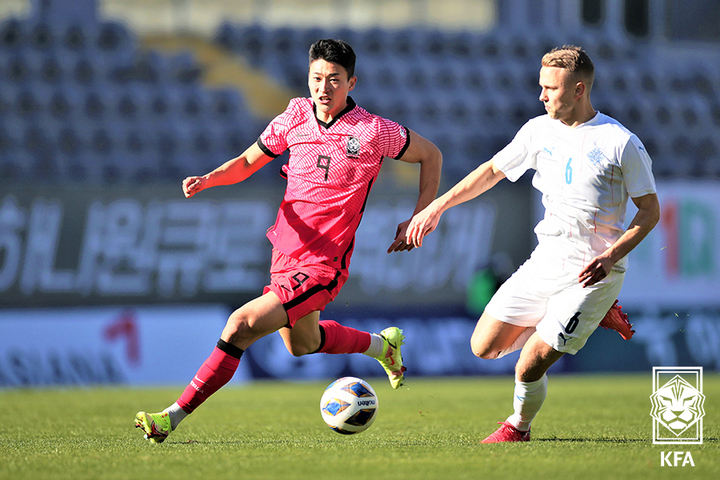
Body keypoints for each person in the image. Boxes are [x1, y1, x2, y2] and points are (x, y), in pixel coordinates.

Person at [135, 39, 442, 444]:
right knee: (304, 344)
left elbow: (431, 155)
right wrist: (210, 178)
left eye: (334, 79)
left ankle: (169, 419)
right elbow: (247, 162)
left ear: (352, 82)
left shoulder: (373, 131)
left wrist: (421, 213)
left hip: (323, 264)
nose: (324, 88)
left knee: (240, 324)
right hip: (285, 253)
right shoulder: (296, 115)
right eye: (317, 78)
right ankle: (382, 345)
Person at [405, 45, 660, 443]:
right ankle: (592, 318)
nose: (541, 95)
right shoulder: (537, 130)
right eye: (540, 86)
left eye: (550, 88)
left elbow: (649, 212)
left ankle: (517, 428)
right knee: (483, 347)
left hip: (591, 272)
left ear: (579, 90)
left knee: (528, 364)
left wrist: (610, 257)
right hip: (546, 261)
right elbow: (491, 171)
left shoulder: (620, 143)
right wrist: (439, 205)